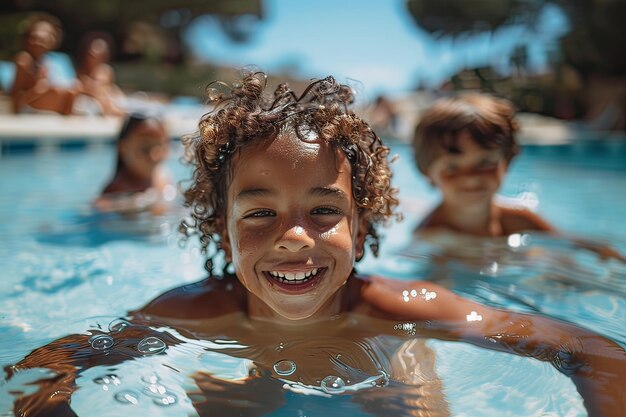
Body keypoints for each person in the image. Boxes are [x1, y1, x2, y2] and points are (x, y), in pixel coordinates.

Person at [6, 72, 625, 417]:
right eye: (260, 214)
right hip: (254, 371)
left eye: (324, 210)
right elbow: (45, 365)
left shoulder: (396, 310)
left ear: (363, 222)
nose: (294, 237)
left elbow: (590, 348)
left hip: (383, 371)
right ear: (221, 227)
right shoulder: (196, 310)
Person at [411, 93, 626, 262]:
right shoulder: (429, 234)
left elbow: (578, 247)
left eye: (485, 163)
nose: (471, 178)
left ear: (508, 162)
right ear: (427, 171)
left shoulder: (519, 219)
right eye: (452, 167)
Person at [93, 113, 173, 214]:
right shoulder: (117, 190)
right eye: (145, 149)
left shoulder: (161, 174)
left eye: (160, 148)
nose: (153, 156)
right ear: (123, 148)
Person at [10, 14, 78, 115]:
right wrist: (39, 90)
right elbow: (15, 98)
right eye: (36, 38)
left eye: (44, 38)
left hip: (44, 108)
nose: (39, 42)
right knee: (59, 92)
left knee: (72, 90)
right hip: (28, 109)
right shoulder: (24, 60)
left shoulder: (46, 61)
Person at [75, 31, 125, 116]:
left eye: (98, 56)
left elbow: (98, 87)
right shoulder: (80, 70)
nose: (93, 58)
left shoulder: (105, 69)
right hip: (93, 100)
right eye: (91, 55)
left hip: (104, 99)